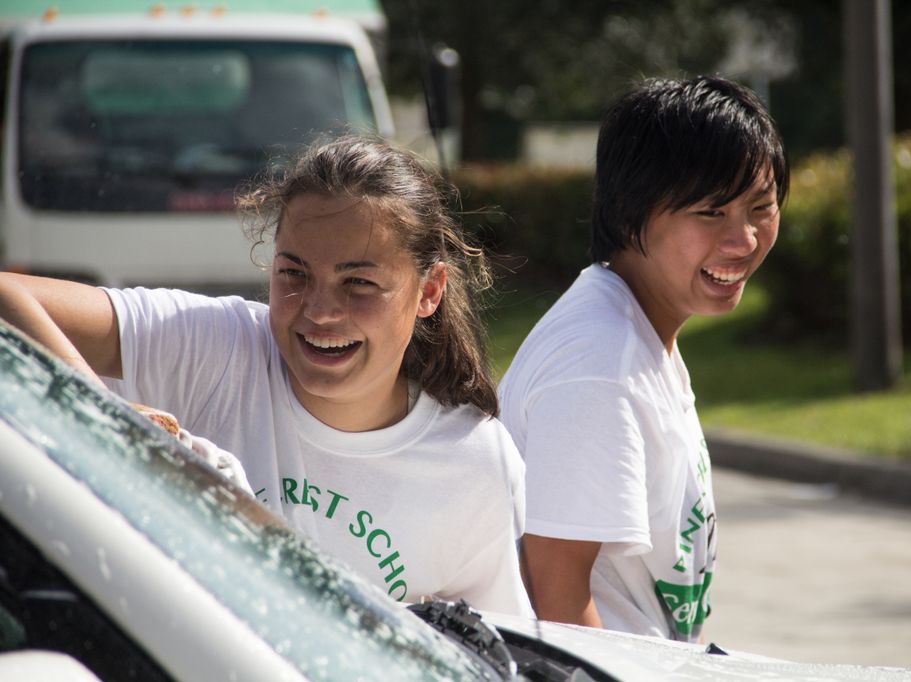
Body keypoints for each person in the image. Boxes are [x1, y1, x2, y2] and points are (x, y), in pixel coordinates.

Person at [0, 135, 533, 617]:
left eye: (359, 283)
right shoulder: (216, 346)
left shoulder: (474, 461)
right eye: (294, 273)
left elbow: (497, 653)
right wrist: (105, 425)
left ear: (430, 291)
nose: (320, 310)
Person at [498, 76, 789, 641]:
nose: (745, 239)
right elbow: (557, 606)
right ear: (632, 212)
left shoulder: (631, 329)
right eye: (711, 213)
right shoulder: (599, 367)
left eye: (762, 207)